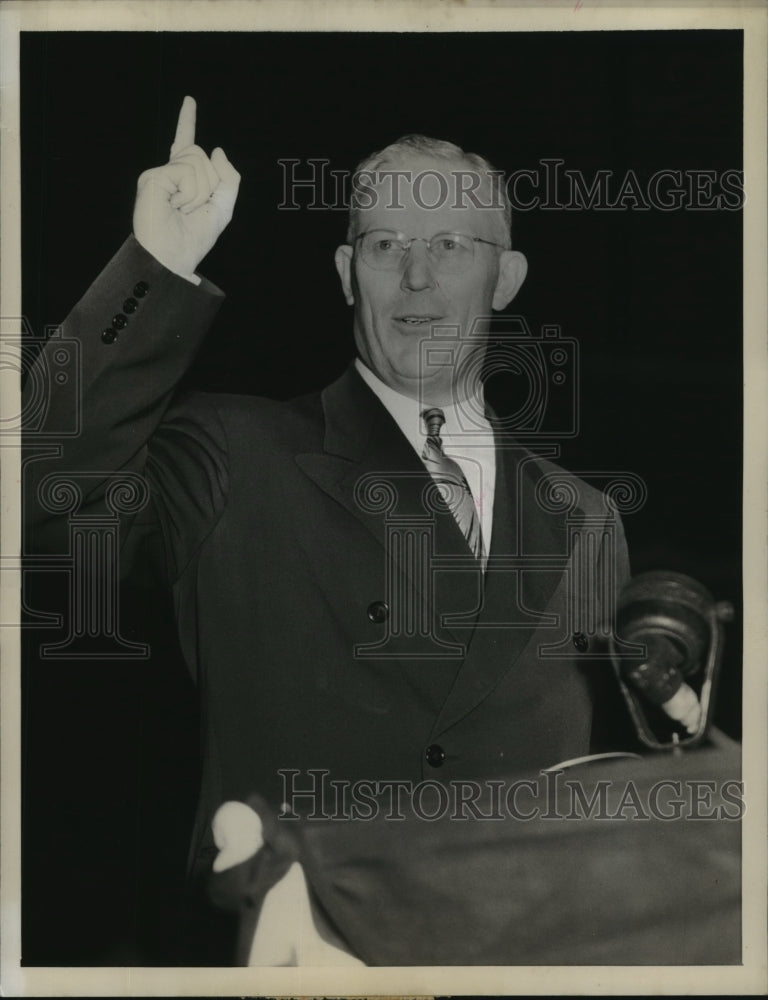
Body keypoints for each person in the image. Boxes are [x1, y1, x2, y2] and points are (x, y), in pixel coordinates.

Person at [24, 97, 636, 955]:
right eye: (387, 247)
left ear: (507, 278)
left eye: (451, 246)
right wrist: (154, 265)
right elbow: (39, 492)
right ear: (348, 273)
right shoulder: (234, 454)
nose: (416, 279)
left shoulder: (588, 517)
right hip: (293, 950)